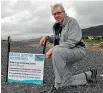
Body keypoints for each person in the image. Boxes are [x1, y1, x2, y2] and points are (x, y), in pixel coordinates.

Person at [40, 3, 97, 93]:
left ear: (64, 12)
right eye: (54, 14)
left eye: (59, 12)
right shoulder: (56, 26)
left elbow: (72, 41)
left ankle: (57, 86)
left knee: (56, 51)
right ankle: (89, 75)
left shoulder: (72, 22)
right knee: (66, 80)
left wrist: (53, 49)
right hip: (65, 52)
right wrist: (47, 37)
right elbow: (57, 38)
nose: (57, 15)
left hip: (77, 50)